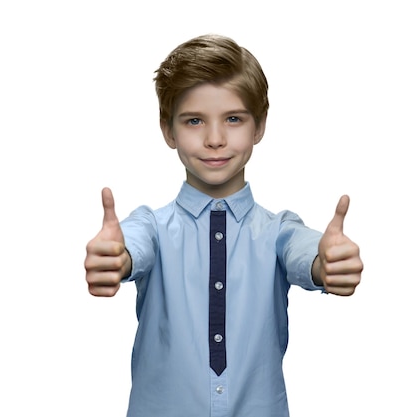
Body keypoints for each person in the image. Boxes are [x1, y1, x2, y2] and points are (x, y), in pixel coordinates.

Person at [84, 34, 363, 417]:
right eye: (194, 121)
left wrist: (327, 263)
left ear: (259, 127)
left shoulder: (279, 230)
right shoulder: (151, 226)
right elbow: (133, 246)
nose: (215, 139)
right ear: (168, 130)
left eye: (233, 119)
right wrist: (116, 260)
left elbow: (306, 252)